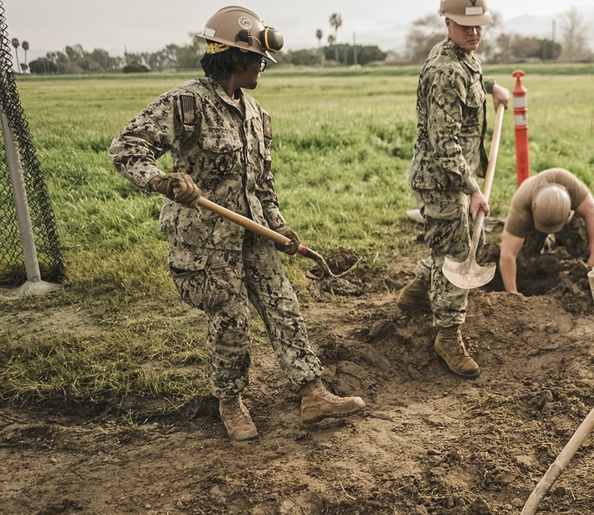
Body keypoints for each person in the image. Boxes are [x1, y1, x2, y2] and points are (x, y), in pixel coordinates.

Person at [109, 6, 364, 441]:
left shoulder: (257, 116)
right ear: (233, 59)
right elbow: (126, 147)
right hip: (206, 242)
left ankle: (313, 392)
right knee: (231, 322)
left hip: (253, 234)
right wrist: (164, 180)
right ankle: (230, 402)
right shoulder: (186, 104)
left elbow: (262, 184)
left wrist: (280, 226)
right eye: (258, 60)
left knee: (284, 306)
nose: (262, 68)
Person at [397, 0, 510, 379]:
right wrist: (473, 189)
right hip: (442, 179)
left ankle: (415, 293)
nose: (474, 33)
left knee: (445, 242)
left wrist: (492, 87)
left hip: (453, 176)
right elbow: (443, 143)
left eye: (479, 26)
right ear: (448, 23)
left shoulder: (461, 57)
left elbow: (472, 83)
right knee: (458, 253)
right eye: (465, 26)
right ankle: (447, 336)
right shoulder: (446, 70)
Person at [498, 168, 594, 294]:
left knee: (586, 243)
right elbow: (507, 255)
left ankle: (585, 267)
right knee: (523, 262)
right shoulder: (521, 211)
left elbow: (592, 213)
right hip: (533, 227)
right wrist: (512, 293)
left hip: (567, 220)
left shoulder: (569, 183)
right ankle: (546, 243)